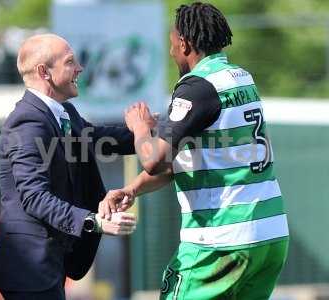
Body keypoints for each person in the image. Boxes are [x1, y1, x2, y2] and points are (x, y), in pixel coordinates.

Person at [101, 2, 289, 299]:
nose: (172, 51)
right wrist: (133, 189)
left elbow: (153, 160)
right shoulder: (241, 78)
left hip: (221, 241)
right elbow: (192, 161)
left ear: (185, 44)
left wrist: (139, 126)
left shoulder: (197, 87)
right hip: (270, 236)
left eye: (172, 44)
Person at [0, 34, 137, 300]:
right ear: (44, 72)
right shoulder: (27, 122)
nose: (80, 68)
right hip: (29, 267)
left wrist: (164, 130)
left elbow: (107, 139)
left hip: (45, 266)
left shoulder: (65, 113)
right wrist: (94, 222)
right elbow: (34, 197)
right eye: (70, 62)